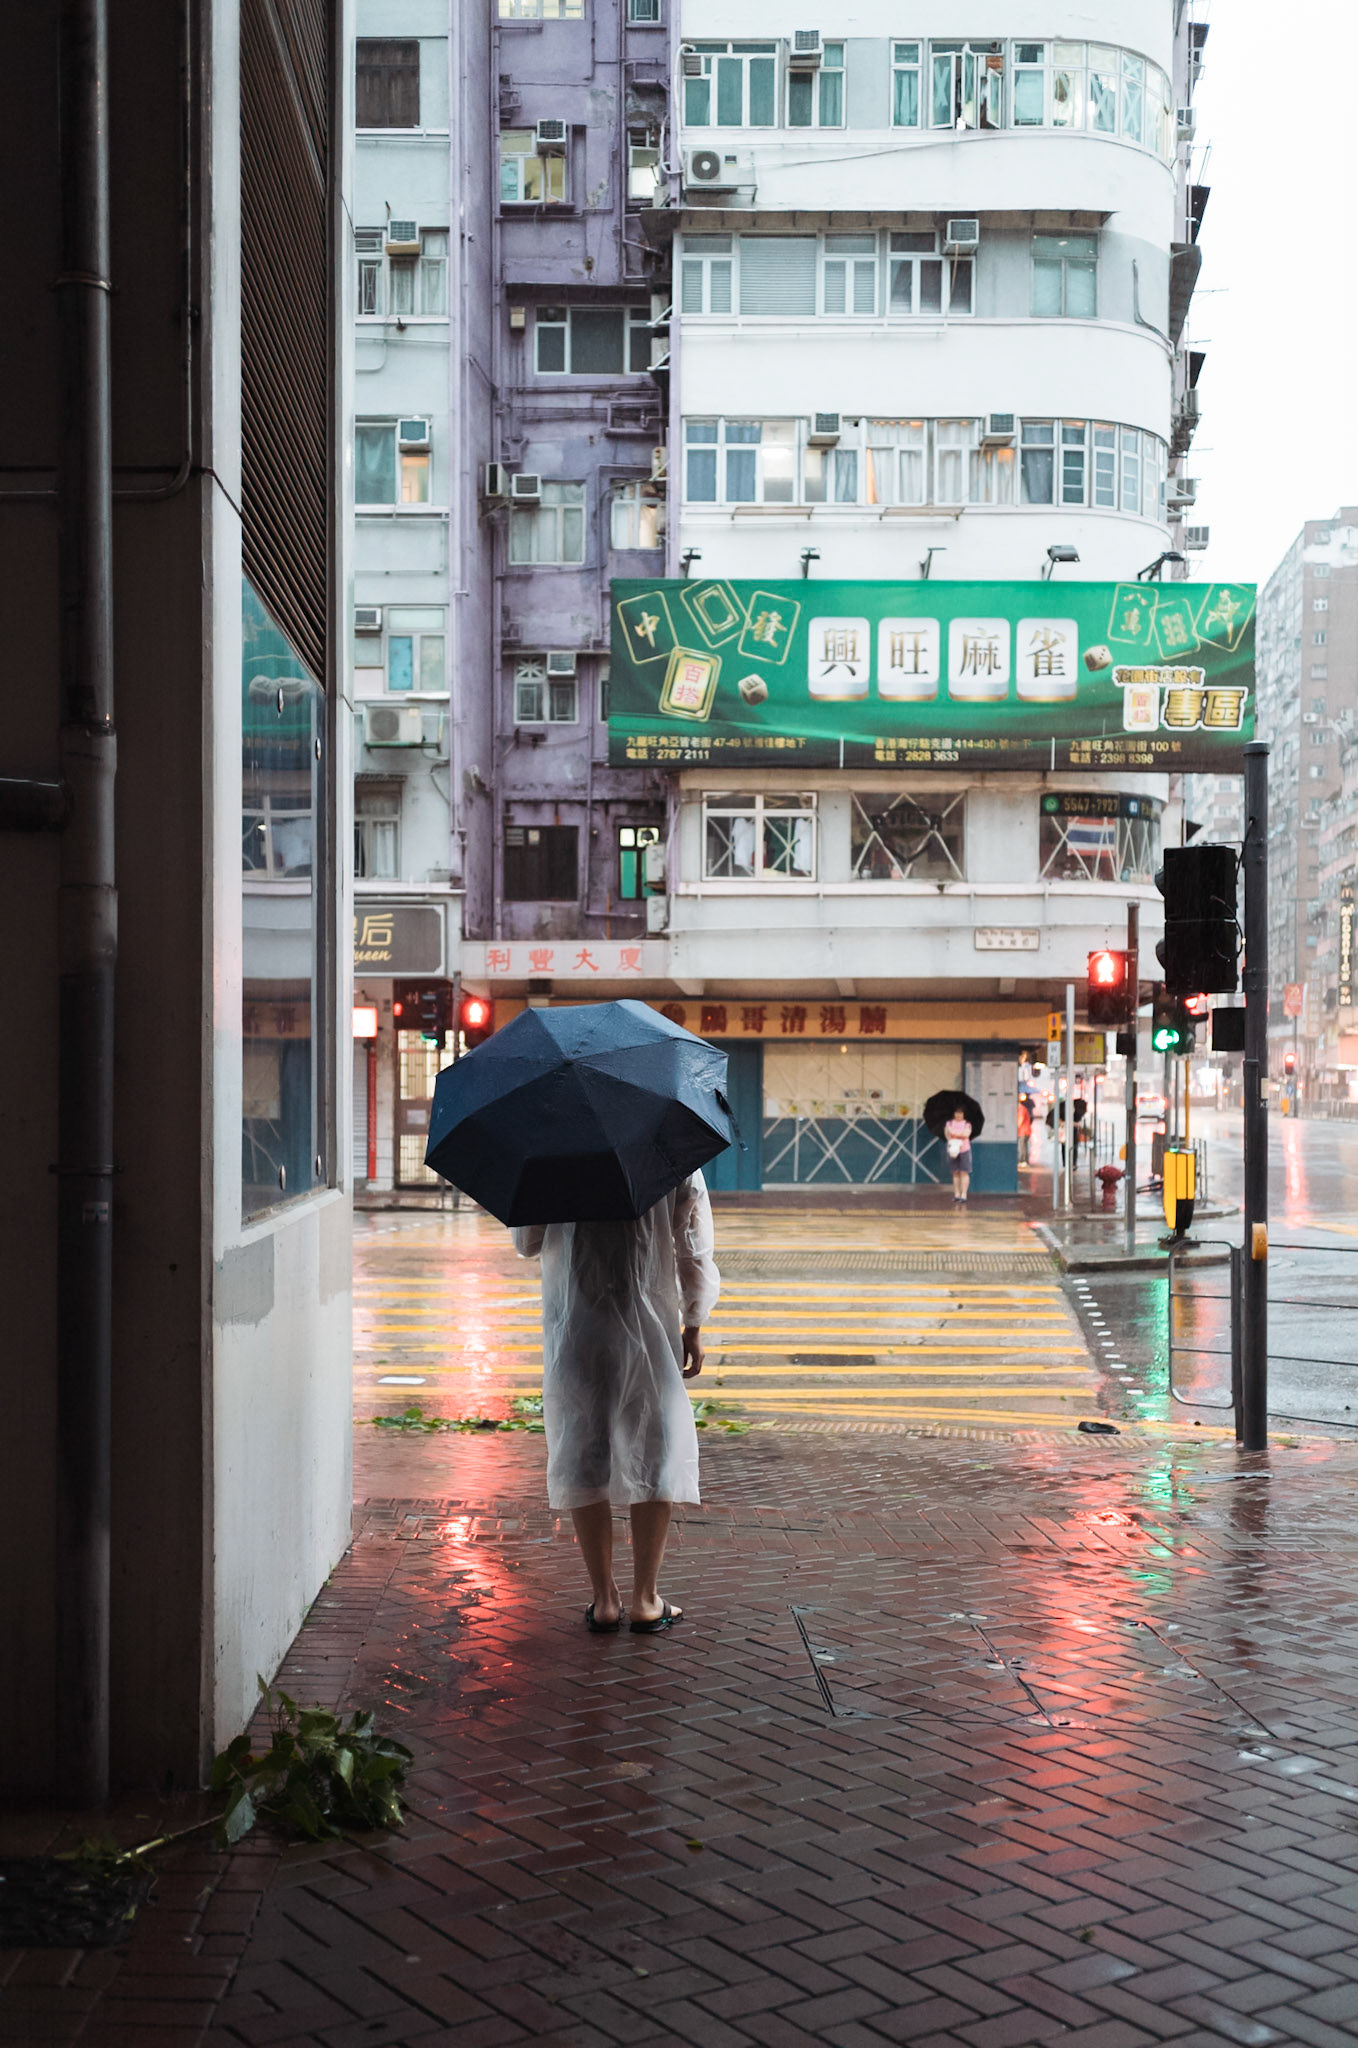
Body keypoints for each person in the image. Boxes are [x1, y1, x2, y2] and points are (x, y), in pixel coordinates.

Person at [513, 1172, 719, 1634]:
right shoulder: (666, 1143)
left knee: (584, 1449)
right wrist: (694, 1322)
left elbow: (527, 1241)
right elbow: (692, 1242)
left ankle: (604, 1598)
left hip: (575, 1319)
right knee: (656, 1443)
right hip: (648, 1317)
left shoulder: (552, 1145)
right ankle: (647, 1598)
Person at [944, 1108, 974, 1203]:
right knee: (955, 1172)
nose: (958, 1115)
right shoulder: (949, 1123)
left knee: (964, 1172)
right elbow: (947, 1134)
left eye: (960, 1113)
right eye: (957, 1112)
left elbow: (966, 1134)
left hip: (964, 1150)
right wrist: (958, 1134)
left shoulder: (967, 1124)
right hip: (953, 1150)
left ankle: (964, 1194)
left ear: (964, 1114)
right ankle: (956, 1194)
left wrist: (954, 1133)